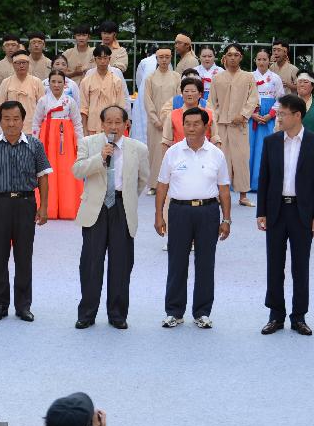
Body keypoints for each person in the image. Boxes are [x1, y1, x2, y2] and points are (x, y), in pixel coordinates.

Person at [256, 94, 314, 336]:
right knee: (274, 265)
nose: (279, 117)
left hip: (302, 212)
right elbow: (264, 178)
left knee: (300, 266)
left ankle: (299, 317)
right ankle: (275, 315)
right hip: (276, 211)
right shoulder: (272, 141)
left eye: (283, 113)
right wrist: (261, 212)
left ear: (297, 115)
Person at [0, 100, 51, 322]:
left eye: (16, 118)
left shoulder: (35, 145)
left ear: (23, 119)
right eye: (6, 119)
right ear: (0, 120)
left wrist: (43, 206)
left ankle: (23, 305)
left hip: (26, 204)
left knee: (24, 257)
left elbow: (43, 176)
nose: (11, 123)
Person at [73, 105, 148, 329]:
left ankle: (117, 315)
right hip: (96, 209)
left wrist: (126, 198)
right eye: (109, 122)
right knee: (90, 263)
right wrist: (100, 158)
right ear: (102, 123)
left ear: (127, 124)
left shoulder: (138, 148)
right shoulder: (89, 143)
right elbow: (77, 170)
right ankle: (87, 313)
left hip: (121, 208)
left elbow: (142, 179)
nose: (113, 126)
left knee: (121, 264)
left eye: (118, 122)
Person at [156, 107, 231, 329]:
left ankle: (202, 312)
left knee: (205, 262)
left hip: (208, 211)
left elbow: (224, 189)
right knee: (176, 261)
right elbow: (162, 186)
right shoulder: (173, 152)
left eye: (195, 124)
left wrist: (226, 219)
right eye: (186, 123)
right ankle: (174, 311)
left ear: (205, 126)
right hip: (179, 211)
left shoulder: (216, 154)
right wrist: (159, 215)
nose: (190, 128)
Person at [208, 43, 258, 207]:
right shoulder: (217, 77)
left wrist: (243, 114)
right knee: (221, 159)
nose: (233, 57)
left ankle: (243, 195)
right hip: (221, 124)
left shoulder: (248, 77)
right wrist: (213, 120)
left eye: (236, 54)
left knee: (241, 158)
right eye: (230, 54)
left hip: (240, 125)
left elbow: (253, 99)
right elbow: (211, 103)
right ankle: (219, 194)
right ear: (225, 57)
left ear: (241, 57)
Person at [33, 69, 84, 220]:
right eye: (53, 82)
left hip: (65, 140)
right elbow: (36, 123)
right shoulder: (43, 101)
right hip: (47, 139)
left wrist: (80, 143)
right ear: (48, 83)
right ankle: (48, 208)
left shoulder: (70, 101)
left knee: (66, 171)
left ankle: (68, 207)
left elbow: (77, 124)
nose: (56, 85)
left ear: (64, 84)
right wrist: (35, 144)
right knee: (47, 171)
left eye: (59, 82)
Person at [144, 48, 181, 195]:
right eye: (161, 57)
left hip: (173, 121)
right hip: (155, 124)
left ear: (171, 58)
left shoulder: (177, 77)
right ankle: (154, 184)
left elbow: (179, 99)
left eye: (167, 57)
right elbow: (147, 101)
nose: (164, 60)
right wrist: (155, 120)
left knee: (172, 152)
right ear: (157, 59)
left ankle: (172, 183)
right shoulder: (150, 78)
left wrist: (171, 118)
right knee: (155, 152)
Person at [248, 49, 284, 192]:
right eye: (259, 59)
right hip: (252, 115)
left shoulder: (275, 78)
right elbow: (244, 98)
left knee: (265, 148)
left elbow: (280, 98)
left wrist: (270, 114)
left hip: (269, 117)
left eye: (264, 59)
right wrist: (252, 113)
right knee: (250, 148)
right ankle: (247, 182)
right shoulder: (249, 77)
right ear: (255, 60)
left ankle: (264, 182)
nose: (261, 62)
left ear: (270, 61)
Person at [79, 45, 130, 136]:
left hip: (112, 125)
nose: (102, 61)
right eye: (99, 58)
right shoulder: (86, 81)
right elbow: (83, 107)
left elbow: (121, 106)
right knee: (94, 149)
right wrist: (84, 128)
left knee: (112, 149)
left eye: (105, 58)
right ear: (95, 59)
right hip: (92, 124)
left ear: (109, 59)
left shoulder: (116, 80)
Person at [0, 50, 46, 135]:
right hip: (11, 127)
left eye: (24, 62)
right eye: (18, 63)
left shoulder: (37, 82)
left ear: (28, 64)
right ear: (13, 65)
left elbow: (43, 106)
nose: (21, 66)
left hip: (32, 126)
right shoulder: (6, 82)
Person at [162, 78, 219, 148]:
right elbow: (166, 142)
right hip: (180, 156)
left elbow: (215, 140)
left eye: (193, 91)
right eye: (186, 91)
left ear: (200, 94)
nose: (189, 94)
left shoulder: (209, 114)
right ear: (182, 94)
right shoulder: (172, 115)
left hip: (204, 155)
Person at [129, 46, 158, 143]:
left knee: (141, 124)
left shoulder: (144, 61)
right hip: (159, 94)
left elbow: (139, 80)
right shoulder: (166, 61)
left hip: (143, 94)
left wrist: (141, 90)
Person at [0, 33, 21, 98]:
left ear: (18, 47)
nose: (10, 47)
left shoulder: (26, 65)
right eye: (7, 45)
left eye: (13, 45)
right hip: (2, 103)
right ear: (3, 48)